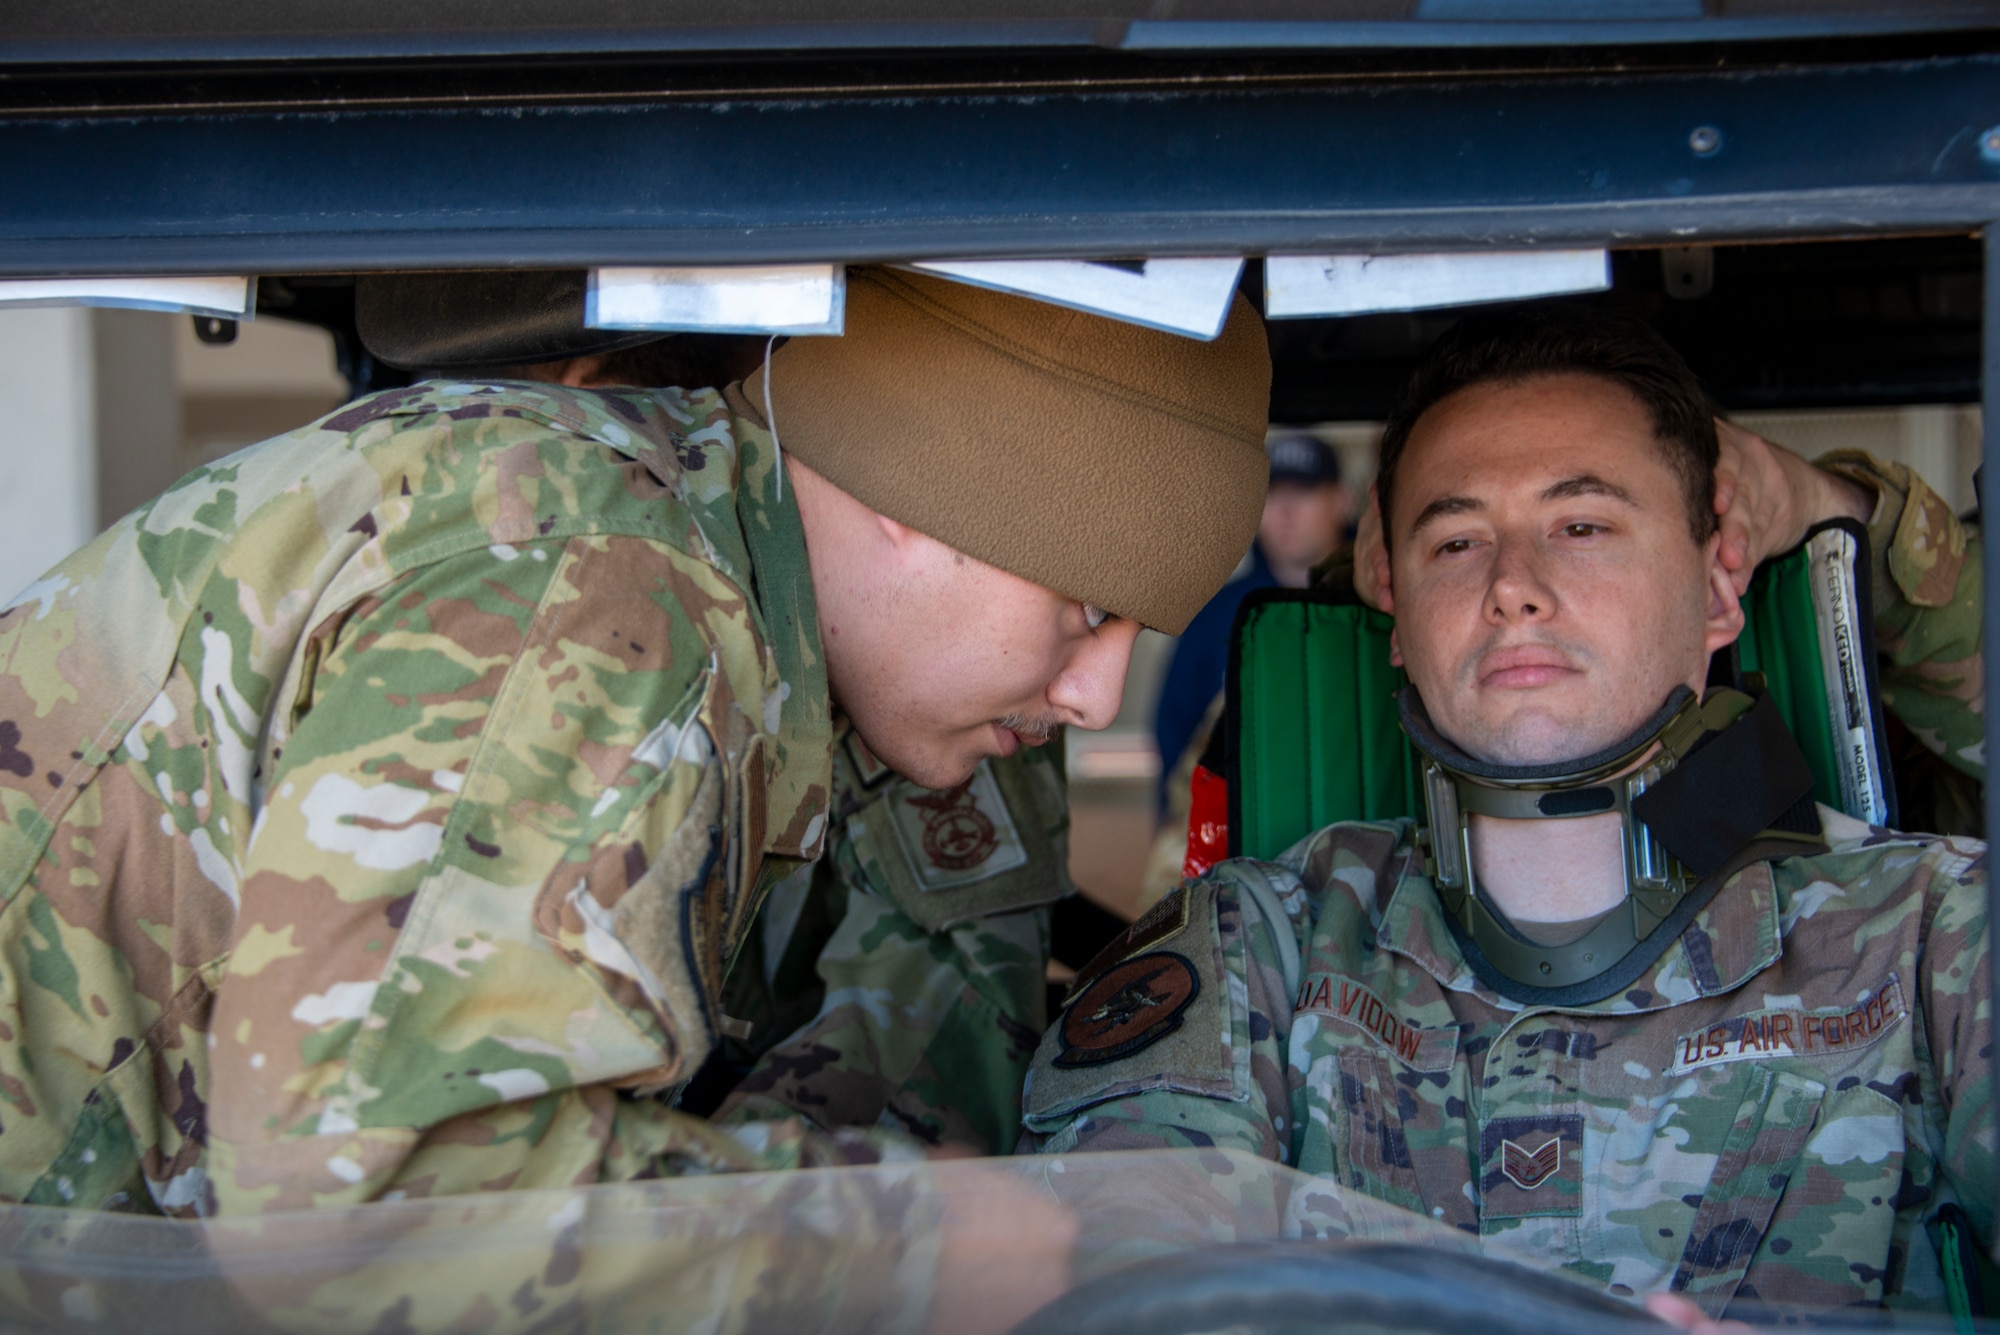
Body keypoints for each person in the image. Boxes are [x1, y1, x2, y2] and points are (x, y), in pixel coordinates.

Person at [0, 266, 1272, 1221]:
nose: (1099, 697)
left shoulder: (707, 596)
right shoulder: (605, 594)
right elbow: (377, 1194)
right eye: (1087, 610)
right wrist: (911, 1240)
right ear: (913, 504)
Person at [1022, 305, 1991, 1321]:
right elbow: (1112, 1273)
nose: (1512, 589)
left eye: (1581, 527)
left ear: (1717, 584)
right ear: (1391, 606)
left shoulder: (1939, 939)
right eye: (1454, 541)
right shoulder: (1252, 951)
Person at [1151, 431, 1351, 819]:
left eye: (1305, 492)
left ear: (1344, 500)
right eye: (1272, 494)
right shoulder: (1216, 614)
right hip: (1248, 833)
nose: (1286, 511)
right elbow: (1174, 729)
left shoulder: (1382, 602)